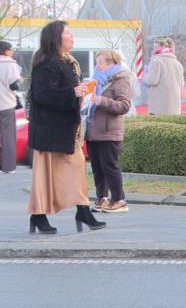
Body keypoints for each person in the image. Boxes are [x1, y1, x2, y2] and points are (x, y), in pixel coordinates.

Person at [26, 21, 105, 234]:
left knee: (76, 167)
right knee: (45, 175)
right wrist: (73, 92)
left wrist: (80, 93)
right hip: (49, 130)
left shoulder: (67, 62)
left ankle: (82, 209)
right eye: (67, 33)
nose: (72, 36)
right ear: (56, 38)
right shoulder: (46, 63)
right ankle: (39, 215)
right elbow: (43, 95)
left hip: (65, 129)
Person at [86, 50, 133, 213]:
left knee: (110, 166)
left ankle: (119, 199)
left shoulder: (120, 80)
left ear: (112, 63)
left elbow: (124, 106)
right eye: (96, 63)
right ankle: (102, 197)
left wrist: (103, 100)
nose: (97, 66)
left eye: (101, 63)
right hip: (93, 130)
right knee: (97, 167)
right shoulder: (95, 81)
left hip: (109, 131)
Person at [142, 37, 184, 115]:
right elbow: (181, 85)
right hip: (174, 106)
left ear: (163, 47)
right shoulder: (178, 64)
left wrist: (144, 76)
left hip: (158, 106)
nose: (153, 49)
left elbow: (152, 80)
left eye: (156, 47)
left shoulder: (156, 61)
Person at [0, 41, 22, 173]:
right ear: (6, 50)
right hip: (6, 103)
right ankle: (8, 167)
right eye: (10, 49)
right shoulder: (10, 64)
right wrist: (20, 80)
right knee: (8, 136)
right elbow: (14, 84)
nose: (12, 51)